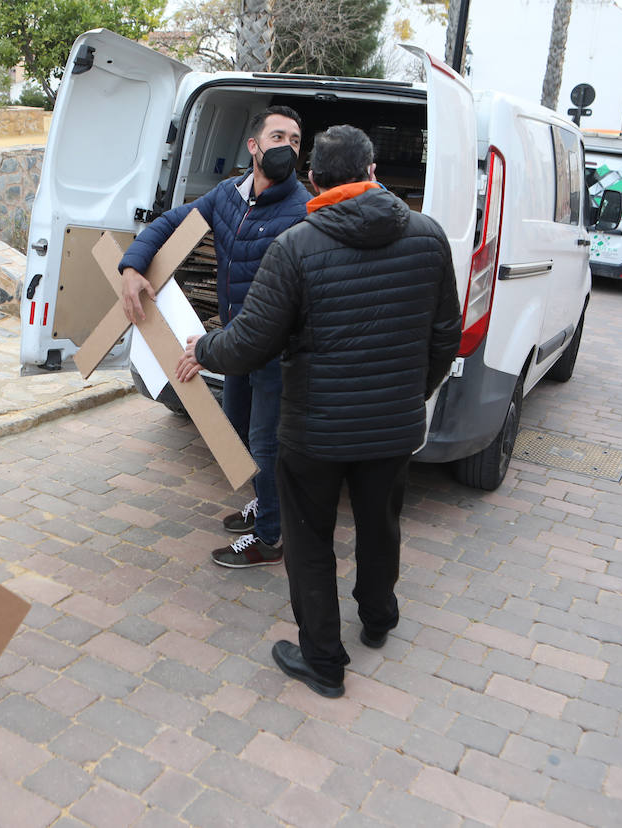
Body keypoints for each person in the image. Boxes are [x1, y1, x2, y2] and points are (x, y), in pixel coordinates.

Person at [176, 124, 460, 697]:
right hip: (392, 428)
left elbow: (250, 342)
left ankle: (325, 661)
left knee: (309, 542)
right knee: (381, 525)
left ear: (313, 179)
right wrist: (410, 395)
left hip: (315, 432)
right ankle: (378, 619)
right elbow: (446, 337)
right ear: (373, 171)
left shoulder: (296, 247)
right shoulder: (429, 238)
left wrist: (202, 348)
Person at [118, 105, 308, 569]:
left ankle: (270, 538)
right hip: (238, 343)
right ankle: (267, 504)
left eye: (296, 141)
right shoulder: (227, 196)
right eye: (279, 137)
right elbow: (167, 223)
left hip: (274, 352)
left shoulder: (301, 211)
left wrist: (211, 350)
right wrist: (131, 266)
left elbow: (295, 301)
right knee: (239, 430)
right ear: (254, 146)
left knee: (266, 443)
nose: (288, 147)